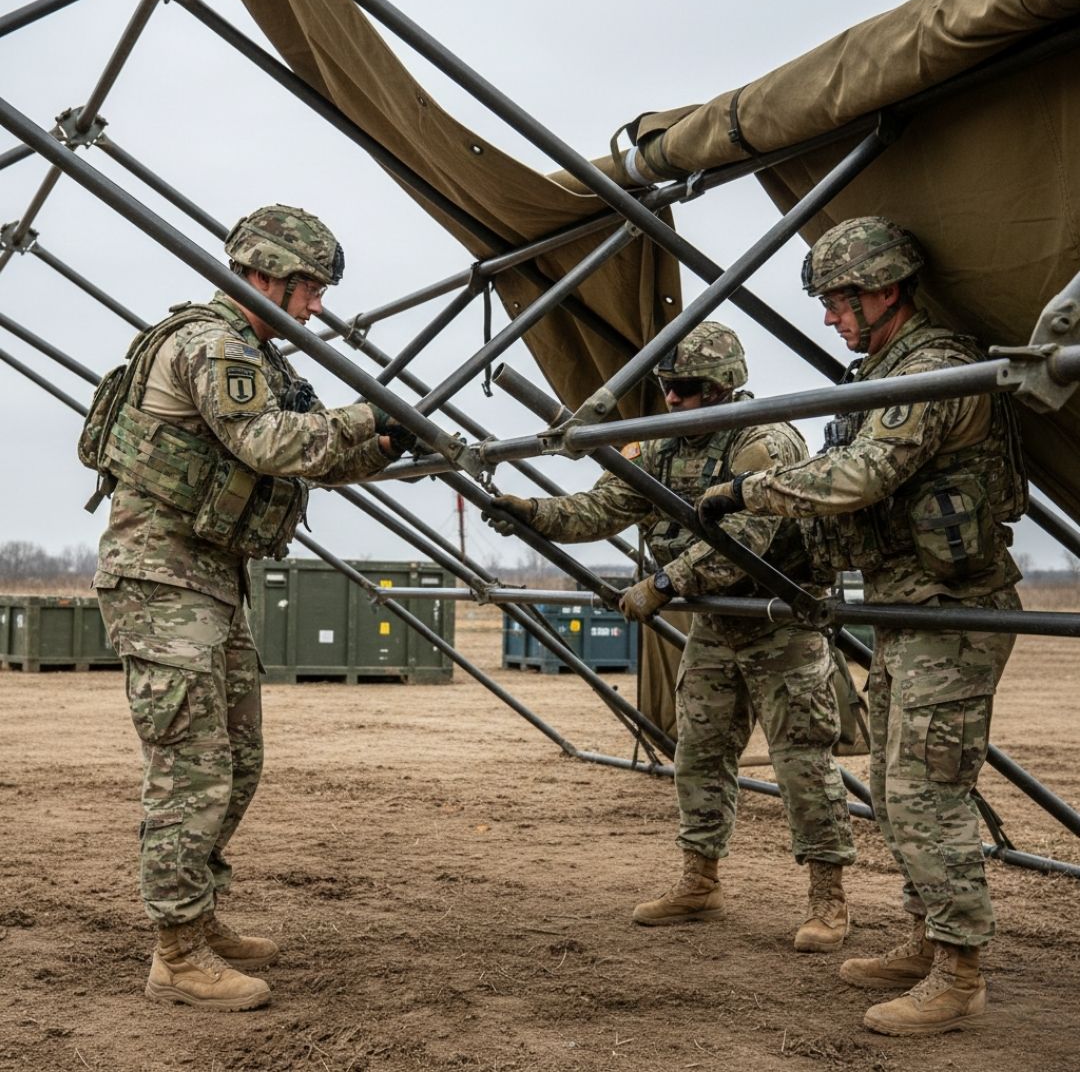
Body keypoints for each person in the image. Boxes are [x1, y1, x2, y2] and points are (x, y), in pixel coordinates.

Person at [698, 216, 1026, 1035]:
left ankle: (960, 971)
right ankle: (924, 937)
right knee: (889, 782)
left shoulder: (936, 372)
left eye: (839, 300)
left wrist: (751, 491)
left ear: (884, 290)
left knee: (924, 792)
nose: (829, 317)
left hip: (953, 614)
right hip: (906, 611)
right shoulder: (889, 370)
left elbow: (860, 474)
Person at [82, 204, 413, 1011]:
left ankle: (198, 912)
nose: (316, 307)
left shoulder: (257, 354)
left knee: (238, 760)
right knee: (191, 770)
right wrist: (370, 415)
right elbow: (268, 443)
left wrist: (383, 447)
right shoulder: (212, 345)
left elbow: (300, 456)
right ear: (265, 274)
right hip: (163, 583)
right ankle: (177, 953)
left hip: (209, 582)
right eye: (308, 288)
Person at [483, 322, 856, 951]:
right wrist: (534, 515)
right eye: (666, 388)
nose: (672, 400)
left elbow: (745, 544)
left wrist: (663, 582)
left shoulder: (764, 443)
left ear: (722, 387)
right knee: (700, 753)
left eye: (685, 389)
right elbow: (602, 508)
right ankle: (700, 880)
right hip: (716, 625)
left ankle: (829, 899)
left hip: (779, 624)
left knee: (801, 764)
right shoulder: (663, 446)